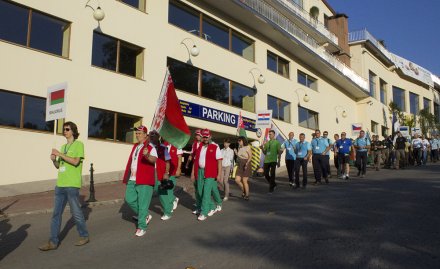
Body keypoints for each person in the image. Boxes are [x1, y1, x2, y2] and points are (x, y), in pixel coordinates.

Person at [39, 122, 89, 251]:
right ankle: (53, 242)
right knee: (56, 214)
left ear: (73, 131)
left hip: (72, 185)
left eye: (67, 129)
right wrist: (54, 160)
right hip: (60, 185)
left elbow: (75, 161)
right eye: (64, 129)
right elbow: (59, 166)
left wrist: (60, 155)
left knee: (76, 212)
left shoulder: (79, 145)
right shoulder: (63, 146)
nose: (65, 131)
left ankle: (84, 235)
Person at [121, 126, 157, 237]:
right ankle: (145, 215)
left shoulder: (150, 146)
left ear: (146, 135)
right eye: (136, 133)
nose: (137, 135)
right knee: (129, 198)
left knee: (142, 204)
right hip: (133, 178)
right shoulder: (136, 146)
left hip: (144, 180)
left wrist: (147, 155)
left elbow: (154, 160)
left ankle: (142, 227)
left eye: (140, 133)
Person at [192, 129, 222, 221]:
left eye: (207, 136)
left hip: (210, 172)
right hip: (200, 171)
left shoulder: (215, 147)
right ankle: (212, 206)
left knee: (206, 192)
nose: (205, 138)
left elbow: (219, 161)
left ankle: (204, 213)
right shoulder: (199, 147)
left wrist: (219, 174)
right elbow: (195, 161)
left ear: (210, 137)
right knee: (200, 192)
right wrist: (193, 173)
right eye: (204, 136)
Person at [150, 131, 175, 221]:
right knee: (146, 193)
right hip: (149, 172)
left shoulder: (163, 148)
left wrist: (166, 172)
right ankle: (143, 214)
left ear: (158, 137)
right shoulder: (147, 147)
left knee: (162, 193)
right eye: (151, 136)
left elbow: (168, 161)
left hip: (159, 173)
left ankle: (167, 212)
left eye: (154, 136)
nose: (152, 137)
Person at [164, 140, 182, 213]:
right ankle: (174, 199)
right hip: (165, 170)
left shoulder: (177, 145)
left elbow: (180, 158)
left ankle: (170, 204)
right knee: (166, 188)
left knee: (169, 188)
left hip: (173, 170)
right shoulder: (165, 144)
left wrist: (178, 169)